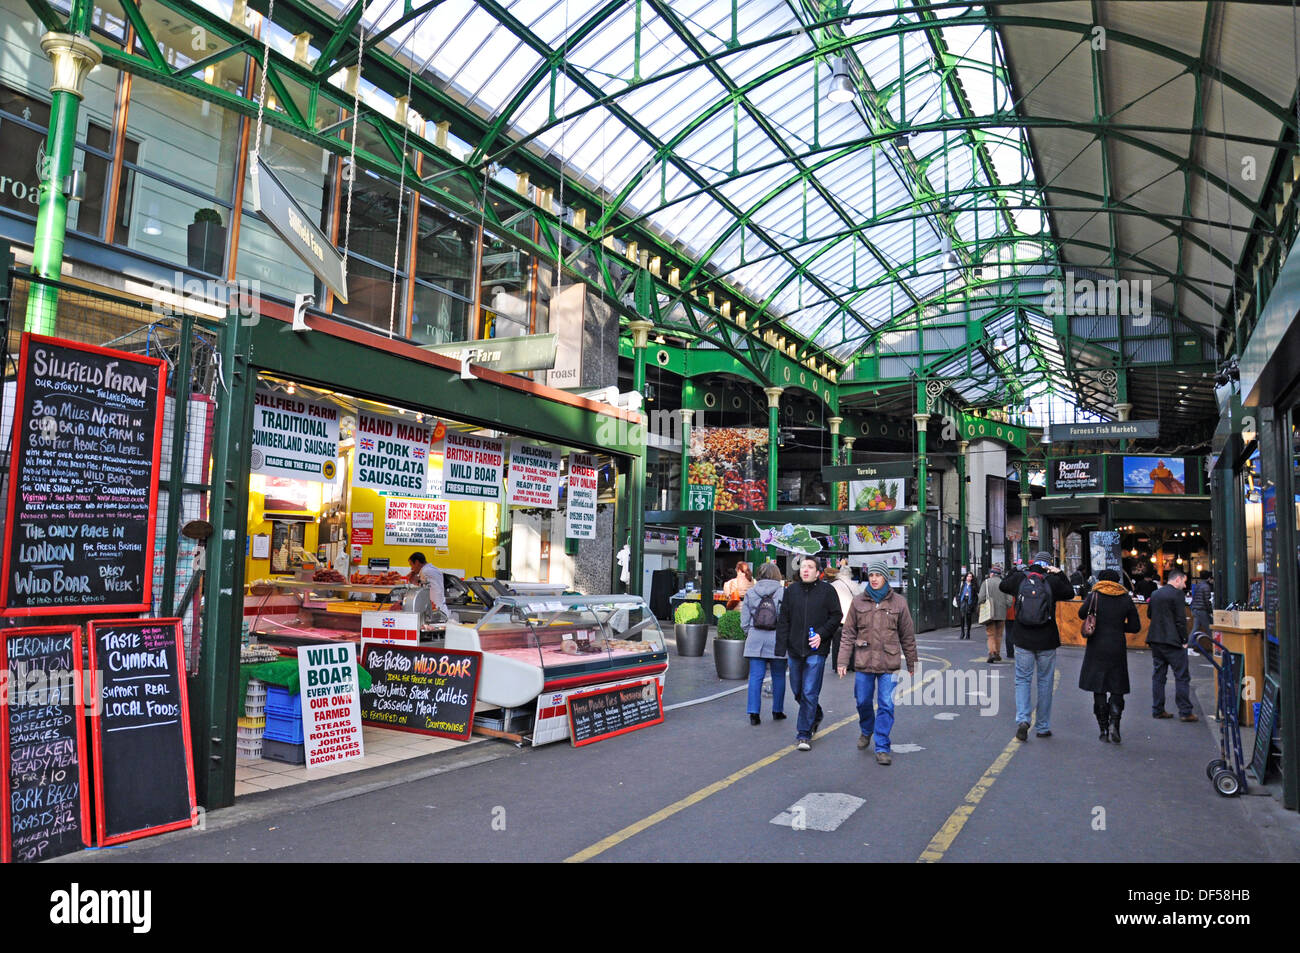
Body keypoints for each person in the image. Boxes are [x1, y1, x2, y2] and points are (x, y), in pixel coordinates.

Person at [838, 560, 917, 765]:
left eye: (878, 575)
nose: (873, 579)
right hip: (864, 661)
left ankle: (882, 746)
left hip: (888, 663)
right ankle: (867, 729)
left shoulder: (899, 603)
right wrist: (842, 661)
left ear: (885, 578)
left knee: (886, 705)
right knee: (862, 701)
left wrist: (912, 663)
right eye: (871, 575)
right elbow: (847, 634)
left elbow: (907, 635)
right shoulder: (858, 602)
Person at [1000, 551, 1075, 741]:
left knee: (1023, 680)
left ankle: (1023, 720)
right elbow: (1070, 592)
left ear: (1033, 562)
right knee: (1045, 682)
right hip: (1047, 638)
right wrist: (1058, 573)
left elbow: (1003, 584)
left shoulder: (1020, 578)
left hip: (1023, 637)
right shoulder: (1052, 580)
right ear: (1049, 564)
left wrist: (1017, 570)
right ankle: (1042, 726)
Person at [775, 555, 843, 751]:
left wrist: (822, 634)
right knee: (797, 691)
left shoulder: (827, 591)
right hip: (795, 648)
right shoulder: (791, 591)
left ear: (817, 572)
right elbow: (784, 619)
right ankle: (816, 713)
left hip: (816, 650)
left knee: (809, 691)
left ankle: (803, 734)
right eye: (803, 566)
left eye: (810, 567)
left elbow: (836, 615)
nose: (805, 570)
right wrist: (781, 647)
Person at [1078, 569, 1141, 744]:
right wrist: (1119, 627)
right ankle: (1115, 724)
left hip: (1097, 646)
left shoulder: (1095, 596)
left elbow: (1081, 614)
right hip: (1117, 647)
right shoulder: (1125, 598)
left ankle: (1103, 729)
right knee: (1116, 686)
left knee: (1099, 688)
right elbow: (1135, 626)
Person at [741, 563, 787, 726]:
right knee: (779, 676)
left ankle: (754, 713)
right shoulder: (783, 592)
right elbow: (787, 618)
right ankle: (777, 710)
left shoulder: (751, 592)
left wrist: (751, 632)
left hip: (755, 638)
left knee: (755, 676)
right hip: (777, 639)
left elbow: (744, 621)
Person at [1148, 569, 1196, 722]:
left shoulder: (1155, 594)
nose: (1184, 584)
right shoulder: (1177, 595)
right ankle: (1185, 711)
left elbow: (1150, 614)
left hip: (1156, 639)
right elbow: (1180, 620)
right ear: (1178, 580)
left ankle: (1158, 709)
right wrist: (1184, 640)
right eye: (1184, 581)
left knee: (1158, 676)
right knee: (1181, 676)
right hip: (1173, 641)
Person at [828, 558, 863, 665]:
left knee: (837, 643)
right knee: (851, 642)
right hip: (852, 618)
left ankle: (836, 664)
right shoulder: (855, 585)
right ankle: (851, 664)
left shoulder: (833, 585)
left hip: (837, 618)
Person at [978, 564, 1013, 663]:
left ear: (992, 574)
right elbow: (1009, 600)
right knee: (999, 634)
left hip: (989, 613)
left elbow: (981, 597)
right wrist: (1005, 607)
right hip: (1002, 612)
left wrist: (980, 605)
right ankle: (997, 653)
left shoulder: (986, 583)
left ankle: (992, 652)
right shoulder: (1004, 583)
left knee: (990, 634)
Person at [407, 552, 447, 620]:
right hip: (439, 609)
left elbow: (421, 592)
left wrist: (413, 580)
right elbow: (427, 586)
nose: (411, 568)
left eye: (411, 565)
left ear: (417, 562)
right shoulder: (431, 569)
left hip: (436, 612)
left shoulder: (425, 571)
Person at [1190, 570, 1214, 636]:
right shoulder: (1206, 587)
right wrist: (1210, 611)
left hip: (1195, 609)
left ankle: (1189, 644)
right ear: (1209, 578)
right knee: (1209, 628)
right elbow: (1207, 600)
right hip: (1201, 610)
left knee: (1195, 629)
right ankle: (1215, 644)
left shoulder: (1198, 585)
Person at [956, 571, 976, 640]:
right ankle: (962, 632)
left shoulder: (973, 585)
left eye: (970, 576)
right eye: (968, 576)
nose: (969, 578)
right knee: (962, 616)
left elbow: (976, 595)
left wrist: (973, 603)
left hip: (969, 602)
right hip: (963, 600)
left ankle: (968, 632)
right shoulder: (962, 584)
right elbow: (958, 592)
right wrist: (958, 601)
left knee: (968, 617)